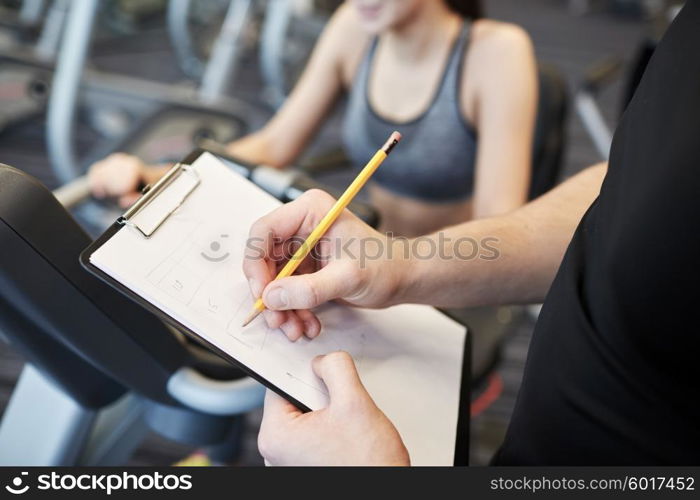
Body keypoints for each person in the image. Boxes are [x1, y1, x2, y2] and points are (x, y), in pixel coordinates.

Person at [243, 1, 700, 465]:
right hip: (382, 268)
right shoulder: (353, 27)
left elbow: (499, 216)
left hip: (455, 295)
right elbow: (624, 187)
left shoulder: (496, 52)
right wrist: (169, 171)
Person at [88, 0, 537, 237]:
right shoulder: (355, 26)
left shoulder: (497, 53)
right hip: (365, 247)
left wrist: (400, 268)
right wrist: (158, 177)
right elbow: (274, 146)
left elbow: (501, 226)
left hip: (447, 271)